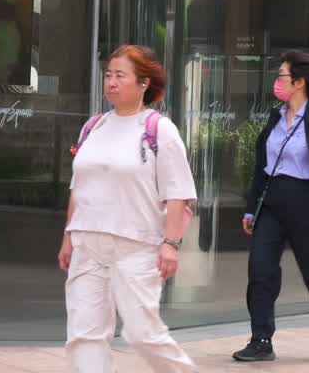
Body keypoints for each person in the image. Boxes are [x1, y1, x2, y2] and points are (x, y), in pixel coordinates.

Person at [59, 45, 198, 373]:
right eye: (109, 75)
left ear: (144, 83)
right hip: (87, 244)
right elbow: (79, 187)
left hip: (135, 247)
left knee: (141, 333)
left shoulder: (159, 129)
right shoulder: (94, 126)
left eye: (120, 76)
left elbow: (178, 193)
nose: (111, 82)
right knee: (84, 335)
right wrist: (68, 236)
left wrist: (171, 244)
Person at [234, 51, 309, 362]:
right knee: (261, 271)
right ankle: (261, 339)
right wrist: (251, 208)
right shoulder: (275, 116)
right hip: (271, 202)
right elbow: (263, 165)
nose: (277, 82)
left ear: (299, 83)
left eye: (282, 76)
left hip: (306, 201)